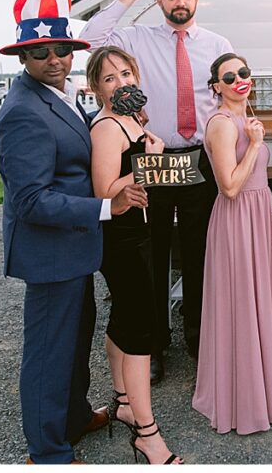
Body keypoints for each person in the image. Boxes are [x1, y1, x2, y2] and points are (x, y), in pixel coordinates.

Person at [0, 0, 148, 464]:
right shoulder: (22, 110)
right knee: (49, 353)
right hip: (50, 252)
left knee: (75, 341)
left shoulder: (63, 97)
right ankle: (47, 452)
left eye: (62, 48)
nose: (54, 59)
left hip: (76, 247)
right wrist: (106, 207)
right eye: (41, 51)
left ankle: (75, 417)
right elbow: (31, 200)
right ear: (23, 56)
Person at [80, 0, 233, 382]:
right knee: (153, 255)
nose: (179, 2)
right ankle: (154, 345)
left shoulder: (217, 45)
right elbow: (91, 39)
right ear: (159, 1)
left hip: (199, 160)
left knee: (200, 254)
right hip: (153, 160)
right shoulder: (136, 40)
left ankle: (199, 339)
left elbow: (229, 94)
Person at [86, 46, 182, 464]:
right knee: (141, 328)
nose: (121, 82)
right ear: (96, 87)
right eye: (110, 78)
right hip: (121, 239)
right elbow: (104, 191)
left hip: (141, 231)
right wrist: (149, 162)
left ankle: (124, 402)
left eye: (125, 74)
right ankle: (147, 433)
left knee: (124, 319)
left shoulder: (132, 117)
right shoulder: (107, 127)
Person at [192, 53, 272, 434]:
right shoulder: (221, 123)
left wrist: (253, 137)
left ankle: (264, 388)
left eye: (244, 73)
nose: (240, 80)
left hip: (258, 217)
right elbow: (230, 187)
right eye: (229, 76)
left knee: (260, 298)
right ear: (216, 86)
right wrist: (254, 144)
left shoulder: (245, 117)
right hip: (237, 221)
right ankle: (242, 400)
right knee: (240, 302)